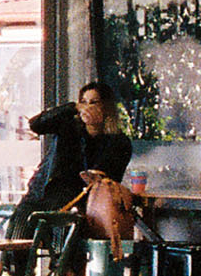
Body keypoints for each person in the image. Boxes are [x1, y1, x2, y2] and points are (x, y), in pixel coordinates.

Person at [12, 80, 133, 237]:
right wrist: (71, 107)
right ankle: (13, 262)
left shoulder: (117, 141)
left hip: (76, 203)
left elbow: (109, 178)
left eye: (94, 102)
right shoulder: (68, 126)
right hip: (40, 193)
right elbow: (36, 125)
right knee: (17, 242)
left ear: (106, 108)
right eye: (83, 102)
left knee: (64, 245)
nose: (87, 108)